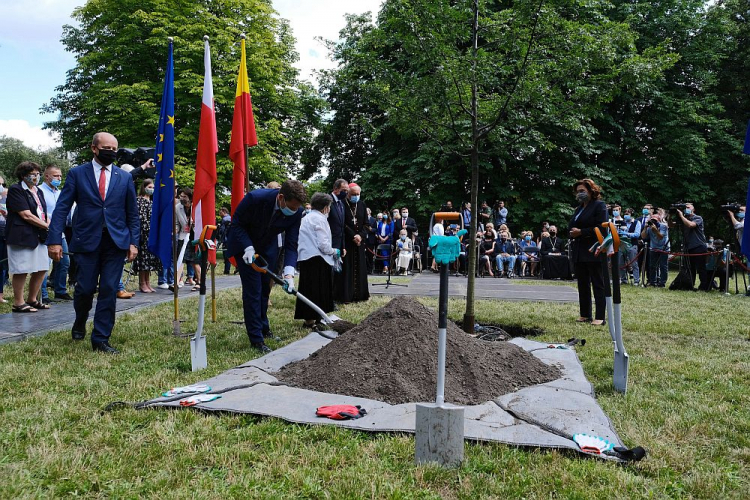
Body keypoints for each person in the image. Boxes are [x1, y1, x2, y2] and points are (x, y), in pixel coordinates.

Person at [48, 132, 140, 353]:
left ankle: (100, 338)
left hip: (115, 241)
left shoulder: (124, 177)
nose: (111, 152)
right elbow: (62, 208)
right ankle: (80, 320)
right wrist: (54, 240)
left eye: (114, 149)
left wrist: (133, 242)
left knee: (109, 288)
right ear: (94, 148)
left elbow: (132, 213)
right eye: (106, 147)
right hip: (87, 240)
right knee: (85, 288)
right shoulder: (77, 174)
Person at [226, 180, 307, 353]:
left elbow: (292, 244)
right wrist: (247, 247)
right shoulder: (255, 198)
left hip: (267, 248)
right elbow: (237, 223)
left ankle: (264, 327)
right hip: (245, 246)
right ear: (281, 197)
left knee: (264, 290)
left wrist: (289, 273)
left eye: (296, 209)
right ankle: (256, 338)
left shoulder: (297, 211)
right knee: (253, 291)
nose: (293, 211)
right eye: (291, 207)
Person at [5, 161, 50, 313]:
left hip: (39, 234)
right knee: (21, 269)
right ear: (23, 176)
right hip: (22, 235)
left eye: (38, 173)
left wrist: (47, 221)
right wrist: (46, 225)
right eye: (32, 174)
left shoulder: (38, 191)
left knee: (42, 267)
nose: (36, 177)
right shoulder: (15, 189)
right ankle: (18, 302)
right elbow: (26, 214)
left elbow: (42, 210)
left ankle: (32, 299)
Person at [295, 193, 340, 327]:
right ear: (325, 207)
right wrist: (333, 251)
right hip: (318, 258)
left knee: (308, 288)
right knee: (318, 290)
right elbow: (323, 244)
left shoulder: (307, 217)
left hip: (306, 257)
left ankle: (314, 318)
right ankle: (313, 318)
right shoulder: (320, 219)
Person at [568, 178, 607, 326]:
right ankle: (585, 314)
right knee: (583, 284)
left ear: (591, 191)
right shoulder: (578, 209)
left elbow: (602, 228)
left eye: (582, 191)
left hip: (594, 249)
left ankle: (600, 316)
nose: (579, 194)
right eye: (578, 192)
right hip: (579, 251)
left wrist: (582, 232)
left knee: (598, 283)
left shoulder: (599, 206)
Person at [39, 165, 73, 302]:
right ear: (47, 176)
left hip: (60, 232)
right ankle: (43, 295)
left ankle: (60, 290)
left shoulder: (60, 192)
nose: (59, 178)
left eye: (60, 176)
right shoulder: (39, 191)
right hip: (44, 231)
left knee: (64, 261)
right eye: (56, 176)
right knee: (44, 265)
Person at [672, 202, 710, 291]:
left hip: (699, 246)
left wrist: (681, 216)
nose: (686, 209)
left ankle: (704, 287)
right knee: (690, 268)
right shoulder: (683, 219)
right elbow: (671, 225)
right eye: (685, 207)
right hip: (688, 247)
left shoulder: (697, 218)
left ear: (693, 209)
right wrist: (670, 216)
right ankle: (690, 285)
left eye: (688, 207)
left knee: (701, 268)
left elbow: (691, 225)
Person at [134, 179, 161, 293]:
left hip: (152, 236)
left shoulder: (152, 202)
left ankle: (148, 282)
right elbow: (141, 219)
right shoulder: (139, 201)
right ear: (144, 187)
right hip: (143, 235)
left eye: (153, 188)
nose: (152, 190)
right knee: (143, 260)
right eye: (150, 187)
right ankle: (142, 283)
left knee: (149, 261)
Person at [641, 212, 669, 287]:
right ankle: (652, 281)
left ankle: (662, 283)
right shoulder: (649, 227)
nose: (653, 222)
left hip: (664, 248)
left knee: (663, 266)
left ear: (659, 220)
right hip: (653, 248)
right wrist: (645, 227)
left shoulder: (663, 226)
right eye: (652, 220)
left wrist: (656, 230)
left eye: (655, 220)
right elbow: (643, 236)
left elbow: (660, 237)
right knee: (652, 266)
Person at [618, 208, 642, 285]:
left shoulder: (636, 222)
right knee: (621, 263)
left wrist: (626, 234)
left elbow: (637, 234)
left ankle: (636, 280)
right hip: (622, 245)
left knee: (634, 263)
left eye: (628, 214)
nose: (626, 215)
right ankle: (623, 279)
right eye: (625, 213)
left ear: (631, 214)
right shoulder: (622, 223)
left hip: (632, 245)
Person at [0, 174, 7, 303]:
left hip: (2, 234)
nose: (1, 187)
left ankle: (0, 295)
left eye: (2, 184)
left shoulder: (3, 201)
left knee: (1, 265)